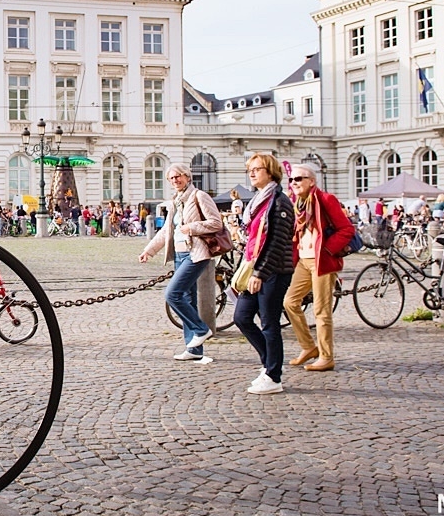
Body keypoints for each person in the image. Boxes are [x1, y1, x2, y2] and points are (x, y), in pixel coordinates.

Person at [139, 163, 222, 364]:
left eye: (179, 176)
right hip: (179, 254)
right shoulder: (175, 201)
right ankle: (193, 348)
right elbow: (166, 231)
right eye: (172, 178)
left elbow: (216, 222)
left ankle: (201, 329)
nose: (175, 180)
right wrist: (148, 251)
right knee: (187, 298)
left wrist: (191, 228)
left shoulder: (199, 196)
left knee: (172, 294)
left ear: (187, 177)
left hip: (196, 254)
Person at [282, 164, 354, 373]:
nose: (294, 183)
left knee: (321, 310)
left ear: (311, 181)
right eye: (292, 180)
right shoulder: (299, 203)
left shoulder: (325, 199)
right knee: (290, 302)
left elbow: (346, 229)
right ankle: (308, 347)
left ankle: (326, 356)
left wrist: (328, 250)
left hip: (321, 260)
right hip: (304, 260)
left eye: (299, 179)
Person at [234, 153, 296, 395]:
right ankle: (268, 362)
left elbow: (278, 242)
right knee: (242, 317)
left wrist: (260, 273)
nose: (252, 173)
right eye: (250, 169)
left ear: (270, 172)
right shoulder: (257, 201)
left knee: (270, 323)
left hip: (273, 271)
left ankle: (274, 375)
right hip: (253, 267)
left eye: (257, 169)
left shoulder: (279, 202)